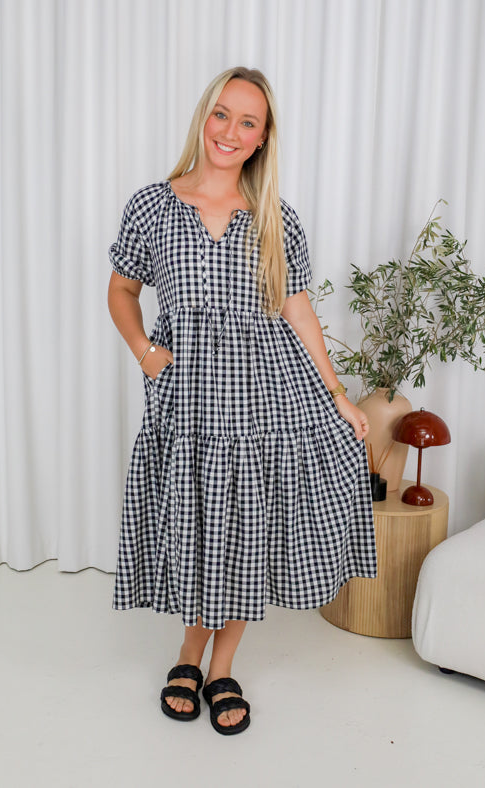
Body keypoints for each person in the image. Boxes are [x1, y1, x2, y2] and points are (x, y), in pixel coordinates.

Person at [107, 66, 377, 736]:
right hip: (190, 400)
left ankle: (216, 663)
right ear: (205, 118)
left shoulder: (274, 217)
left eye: (247, 122)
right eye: (222, 114)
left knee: (246, 533)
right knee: (204, 528)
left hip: (266, 399)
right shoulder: (153, 205)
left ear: (261, 139)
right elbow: (121, 289)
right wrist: (145, 351)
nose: (230, 131)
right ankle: (188, 653)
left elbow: (296, 309)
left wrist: (338, 395)